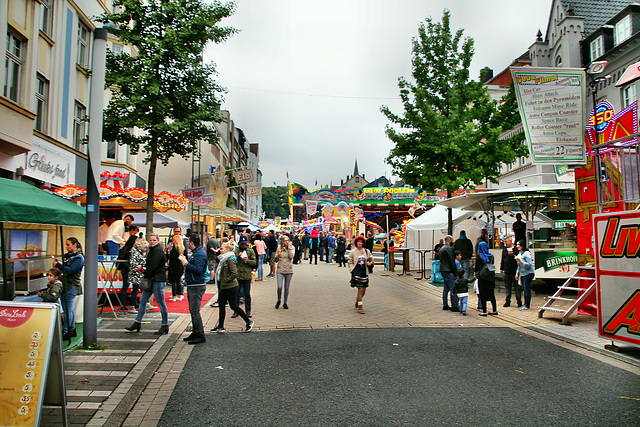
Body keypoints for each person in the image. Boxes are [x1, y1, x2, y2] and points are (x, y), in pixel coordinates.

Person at [126, 233, 169, 335]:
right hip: (153, 279)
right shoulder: (153, 250)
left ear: (158, 241)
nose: (152, 242)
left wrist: (145, 271)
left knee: (160, 302)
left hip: (157, 279)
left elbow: (153, 266)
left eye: (154, 240)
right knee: (143, 300)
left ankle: (164, 324)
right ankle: (137, 322)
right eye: (150, 240)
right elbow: (151, 266)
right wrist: (146, 270)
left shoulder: (157, 251)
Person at [211, 241, 254, 333]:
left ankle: (248, 322)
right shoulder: (222, 259)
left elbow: (234, 273)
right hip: (223, 286)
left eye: (222, 248)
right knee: (221, 306)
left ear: (227, 250)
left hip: (231, 286)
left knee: (234, 306)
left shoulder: (230, 259)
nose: (220, 250)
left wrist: (226, 280)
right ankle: (220, 326)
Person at [54, 237, 84, 340]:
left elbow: (71, 270)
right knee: (68, 309)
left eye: (68, 245)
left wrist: (58, 265)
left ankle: (66, 331)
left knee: (68, 309)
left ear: (75, 244)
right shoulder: (71, 256)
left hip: (71, 285)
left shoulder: (78, 258)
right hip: (67, 285)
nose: (66, 247)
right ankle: (71, 330)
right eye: (66, 245)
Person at [180, 234, 208, 344]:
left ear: (192, 243)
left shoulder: (199, 254)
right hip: (193, 284)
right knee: (193, 310)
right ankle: (196, 332)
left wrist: (186, 264)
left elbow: (199, 269)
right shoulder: (197, 252)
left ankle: (200, 334)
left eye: (188, 242)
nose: (187, 244)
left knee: (195, 310)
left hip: (196, 285)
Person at [348, 235, 374, 314]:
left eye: (361, 242)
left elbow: (371, 259)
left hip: (364, 272)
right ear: (356, 243)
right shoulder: (353, 252)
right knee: (360, 289)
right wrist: (352, 269)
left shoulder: (366, 251)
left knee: (364, 290)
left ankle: (358, 300)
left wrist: (370, 263)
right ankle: (360, 306)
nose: (360, 243)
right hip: (357, 272)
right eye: (358, 242)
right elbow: (350, 262)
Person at [233, 235, 256, 318]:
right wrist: (238, 257)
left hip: (246, 275)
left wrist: (248, 261)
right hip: (238, 275)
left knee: (247, 294)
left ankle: (248, 311)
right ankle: (236, 311)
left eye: (244, 244)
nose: (243, 246)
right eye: (242, 244)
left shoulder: (250, 250)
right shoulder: (236, 250)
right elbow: (232, 260)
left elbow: (254, 262)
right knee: (237, 294)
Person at [476, 241, 497, 317]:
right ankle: (494, 310)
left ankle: (484, 311)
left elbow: (477, 267)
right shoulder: (491, 256)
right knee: (491, 293)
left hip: (483, 277)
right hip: (491, 276)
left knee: (483, 293)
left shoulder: (480, 256)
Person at [127, 238, 148, 313]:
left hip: (138, 274)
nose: (145, 249)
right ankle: (132, 306)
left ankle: (146, 303)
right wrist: (141, 268)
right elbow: (133, 263)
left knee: (142, 290)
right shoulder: (135, 252)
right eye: (145, 247)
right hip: (136, 274)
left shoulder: (137, 251)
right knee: (136, 290)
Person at [274, 235, 295, 309]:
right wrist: (275, 257)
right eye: (285, 240)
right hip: (280, 269)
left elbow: (291, 257)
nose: (287, 242)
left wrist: (289, 248)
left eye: (288, 240)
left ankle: (285, 302)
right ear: (282, 241)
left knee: (286, 287)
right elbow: (276, 260)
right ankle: (279, 300)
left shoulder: (292, 248)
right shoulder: (279, 248)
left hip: (289, 270)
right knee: (279, 286)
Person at [500, 237, 522, 308]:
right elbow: (503, 259)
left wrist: (513, 256)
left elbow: (519, 259)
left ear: (511, 241)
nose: (505, 243)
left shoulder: (516, 250)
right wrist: (501, 268)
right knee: (507, 287)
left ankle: (519, 301)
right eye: (504, 242)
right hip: (506, 271)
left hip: (514, 272)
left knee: (517, 288)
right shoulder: (504, 250)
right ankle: (507, 301)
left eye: (506, 241)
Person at [439, 235, 458, 311]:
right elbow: (451, 261)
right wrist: (455, 273)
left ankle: (445, 304)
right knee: (453, 288)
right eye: (452, 241)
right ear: (449, 240)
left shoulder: (441, 248)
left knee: (446, 288)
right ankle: (454, 305)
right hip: (448, 270)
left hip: (443, 269)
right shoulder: (449, 249)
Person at [515, 240, 535, 311]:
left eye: (519, 245)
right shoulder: (520, 253)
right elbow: (519, 265)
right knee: (524, 289)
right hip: (523, 273)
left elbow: (529, 265)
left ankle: (527, 306)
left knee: (527, 290)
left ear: (522, 245)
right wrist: (517, 273)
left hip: (528, 273)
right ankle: (525, 304)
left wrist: (520, 261)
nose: (517, 246)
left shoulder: (527, 254)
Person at [167, 234, 185, 302]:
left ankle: (174, 295)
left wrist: (167, 255)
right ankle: (179, 294)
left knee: (173, 281)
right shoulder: (182, 248)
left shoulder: (174, 248)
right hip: (180, 266)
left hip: (173, 266)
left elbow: (172, 257)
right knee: (178, 281)